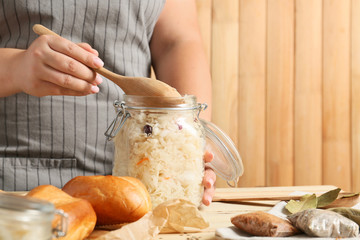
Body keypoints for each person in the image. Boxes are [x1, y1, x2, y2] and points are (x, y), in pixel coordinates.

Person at [0, 0, 215, 205]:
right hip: (13, 186)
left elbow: (177, 41)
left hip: (138, 184)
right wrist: (15, 68)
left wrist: (189, 145)